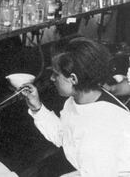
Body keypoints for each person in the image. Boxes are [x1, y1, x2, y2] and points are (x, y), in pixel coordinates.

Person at [22, 37, 130, 177]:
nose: (52, 79)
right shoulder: (80, 100)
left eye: (56, 74)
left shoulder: (102, 125)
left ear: (73, 79)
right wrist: (37, 107)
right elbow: (66, 137)